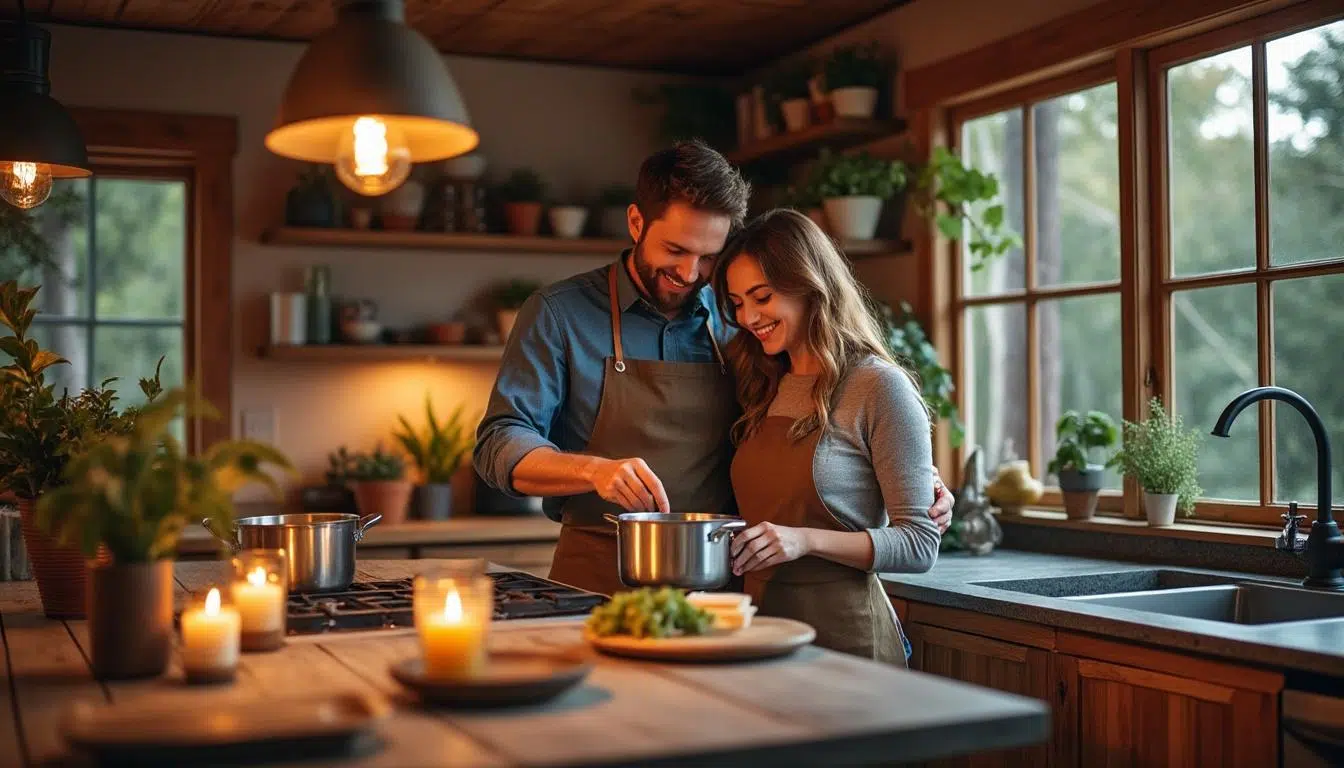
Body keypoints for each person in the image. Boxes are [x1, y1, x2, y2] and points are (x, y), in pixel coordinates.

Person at [474, 140, 952, 597]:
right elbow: (500, 441)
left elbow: (814, 413)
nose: (690, 274)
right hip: (598, 571)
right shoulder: (560, 313)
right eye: (676, 251)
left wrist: (908, 475)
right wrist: (593, 472)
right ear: (637, 222)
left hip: (721, 579)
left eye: (708, 257)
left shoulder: (738, 316)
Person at [713, 208, 940, 665]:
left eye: (761, 296)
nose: (748, 317)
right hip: (761, 630)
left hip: (848, 637)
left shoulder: (878, 386)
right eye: (737, 303)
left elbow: (919, 544)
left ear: (809, 285)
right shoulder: (759, 383)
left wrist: (805, 540)